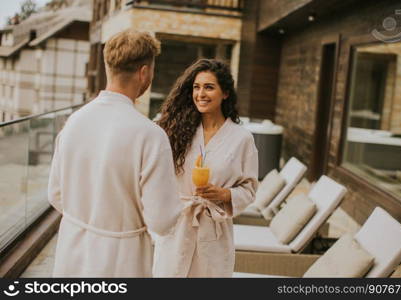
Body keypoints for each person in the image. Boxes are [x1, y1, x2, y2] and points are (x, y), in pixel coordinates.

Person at [48, 29, 182, 277]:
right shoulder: (150, 135)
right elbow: (162, 221)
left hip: (72, 253)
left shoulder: (74, 122)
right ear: (144, 73)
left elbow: (55, 194)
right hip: (122, 261)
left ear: (109, 67)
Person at [154, 59, 258, 277]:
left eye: (209, 87)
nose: (200, 93)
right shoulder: (176, 131)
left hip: (214, 233)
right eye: (196, 87)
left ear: (225, 93)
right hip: (177, 227)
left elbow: (249, 189)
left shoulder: (242, 138)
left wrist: (224, 194)